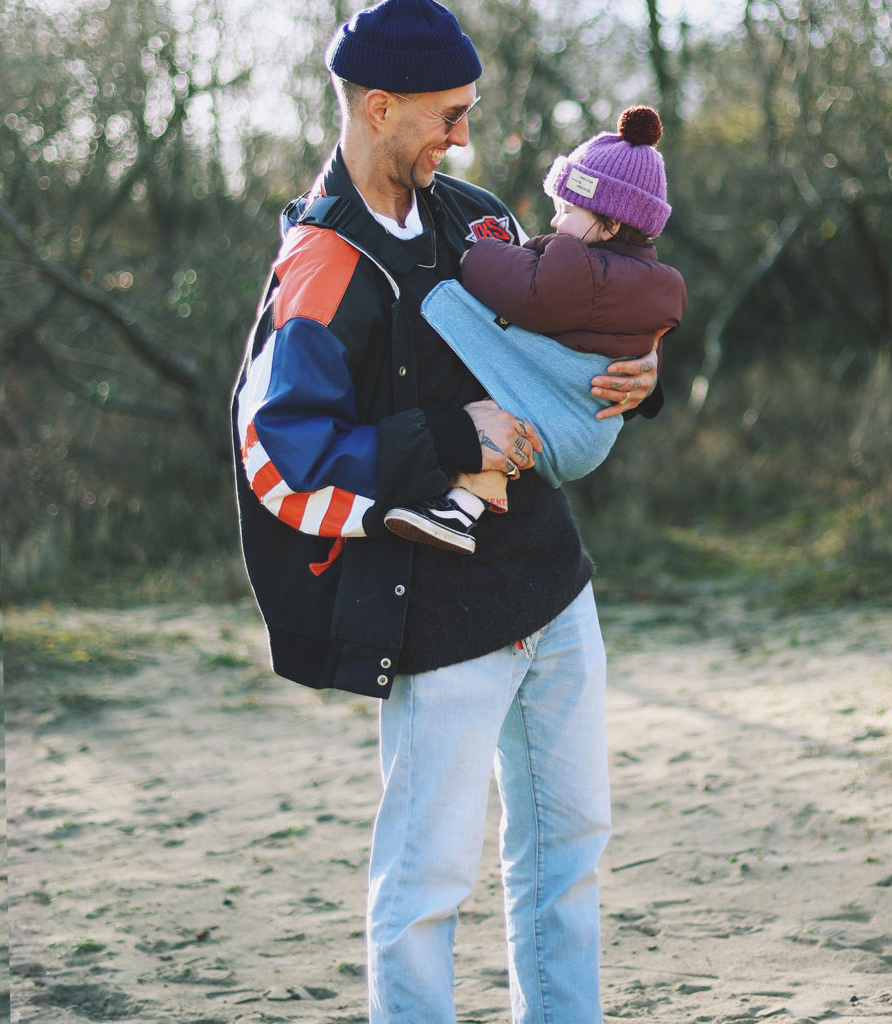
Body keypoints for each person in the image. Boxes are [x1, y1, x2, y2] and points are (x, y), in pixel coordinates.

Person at [230, 1, 661, 1021]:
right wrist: (451, 438)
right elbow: (278, 455)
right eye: (448, 114)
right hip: (434, 617)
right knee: (425, 886)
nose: (463, 136)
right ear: (379, 107)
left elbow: (577, 327)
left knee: (569, 856)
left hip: (553, 590)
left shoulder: (479, 217)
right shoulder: (320, 266)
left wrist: (638, 375)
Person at [383, 105, 687, 554]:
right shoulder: (663, 283)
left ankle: (460, 506)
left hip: (563, 411)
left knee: (503, 417)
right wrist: (652, 371)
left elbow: (526, 290)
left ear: (611, 223)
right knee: (508, 427)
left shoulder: (575, 265)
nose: (556, 222)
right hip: (594, 428)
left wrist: (477, 254)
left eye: (567, 210)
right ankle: (462, 508)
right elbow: (645, 339)